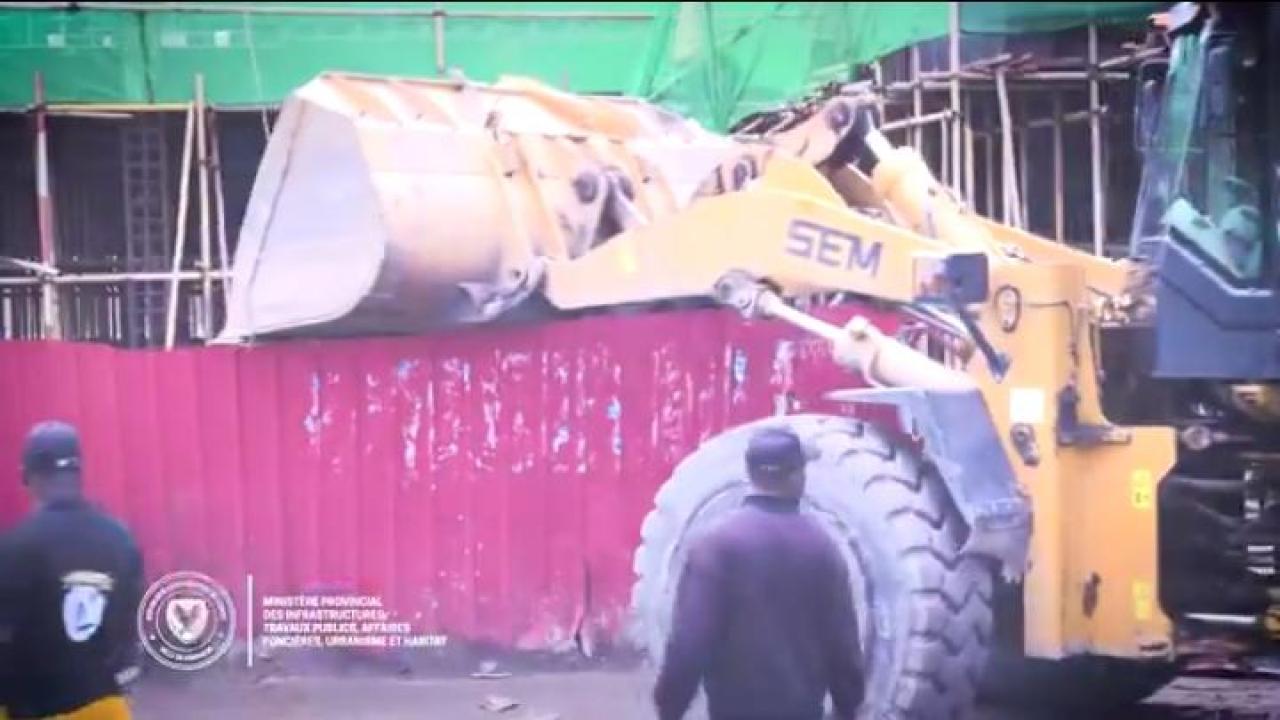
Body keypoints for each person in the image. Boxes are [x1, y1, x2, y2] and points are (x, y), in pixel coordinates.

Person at [653, 425, 865, 720]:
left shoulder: (716, 544)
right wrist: (846, 707)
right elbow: (844, 650)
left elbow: (689, 644)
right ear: (797, 475)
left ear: (750, 474)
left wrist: (669, 709)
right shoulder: (823, 549)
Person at [0, 421, 144, 720]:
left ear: (27, 476)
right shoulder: (121, 538)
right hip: (105, 708)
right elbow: (127, 638)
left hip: (32, 708)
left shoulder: (14, 546)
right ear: (79, 473)